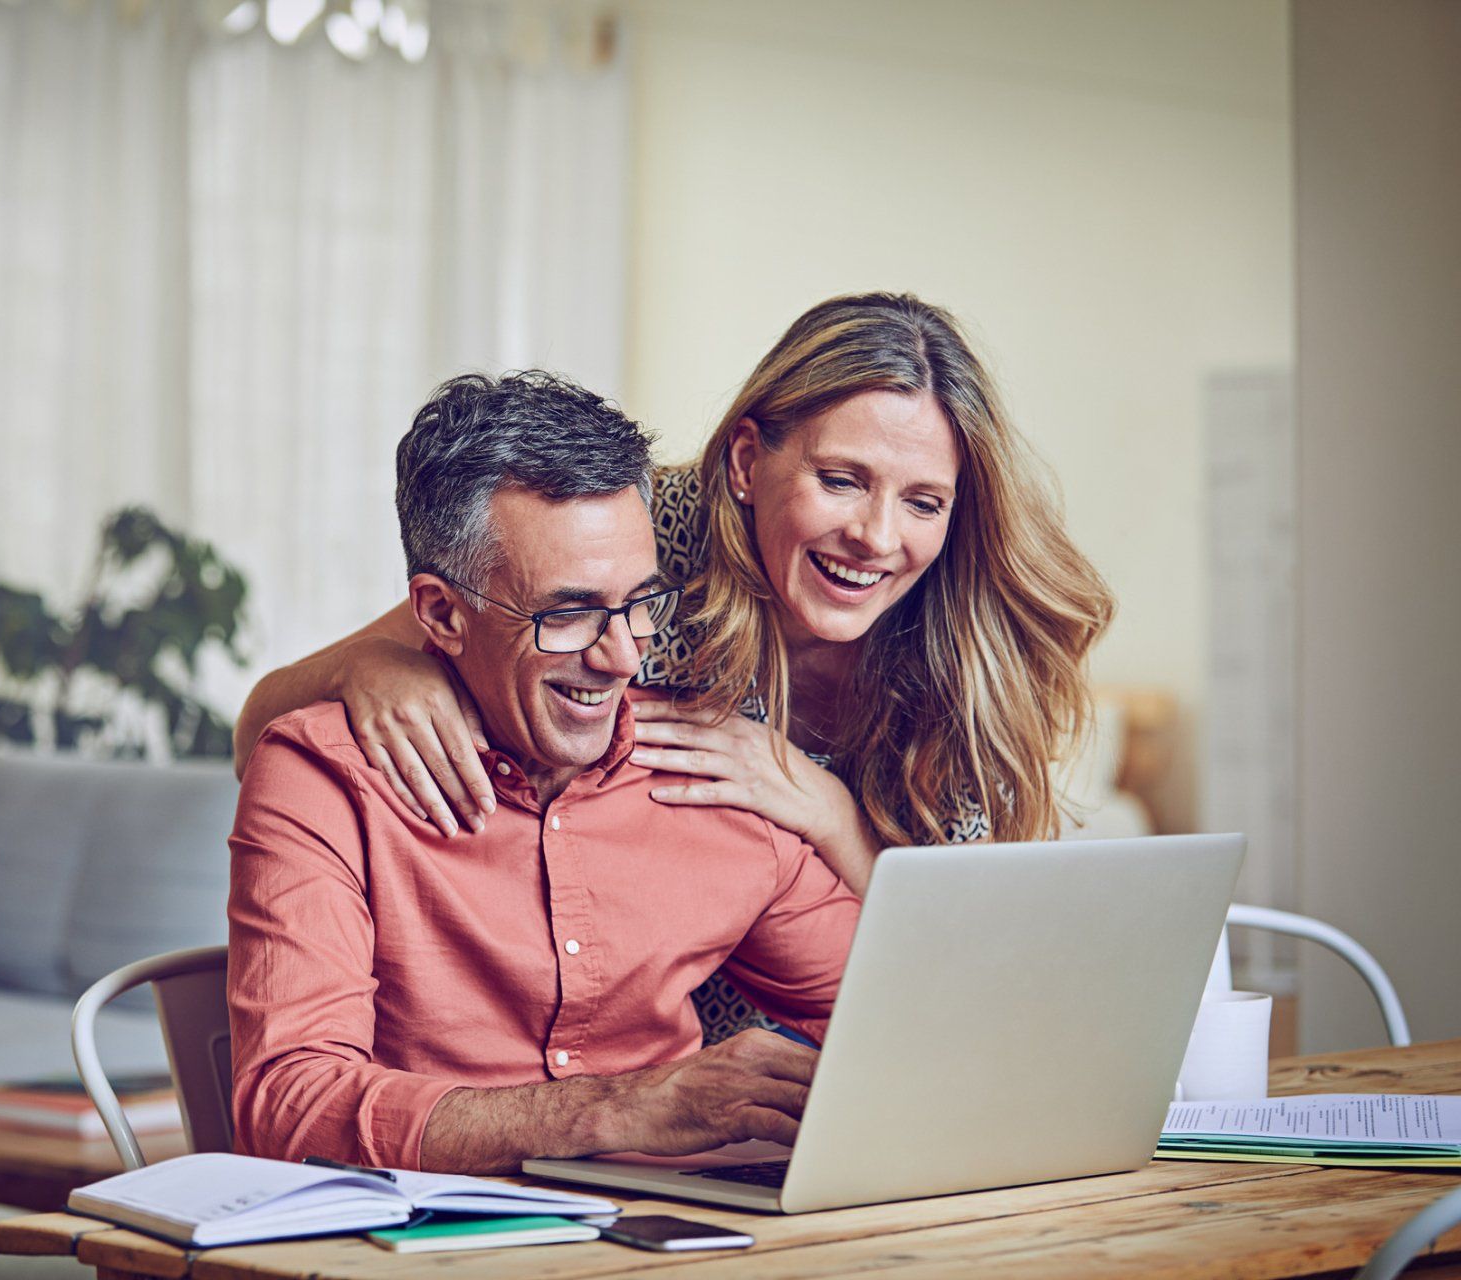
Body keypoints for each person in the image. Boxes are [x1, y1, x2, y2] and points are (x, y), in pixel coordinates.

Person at [233, 292, 1114, 1042]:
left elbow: (974, 974)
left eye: (924, 501)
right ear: (744, 461)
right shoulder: (634, 538)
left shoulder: (971, 650)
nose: (878, 538)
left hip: (862, 1032)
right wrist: (380, 666)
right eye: (841, 479)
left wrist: (827, 813)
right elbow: (274, 718)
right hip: (657, 1054)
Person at [227, 371, 861, 1174]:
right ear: (443, 614)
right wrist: (620, 1108)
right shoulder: (324, 777)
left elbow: (903, 1015)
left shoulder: (711, 775)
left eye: (640, 603)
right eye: (567, 614)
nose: (623, 656)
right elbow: (289, 1108)